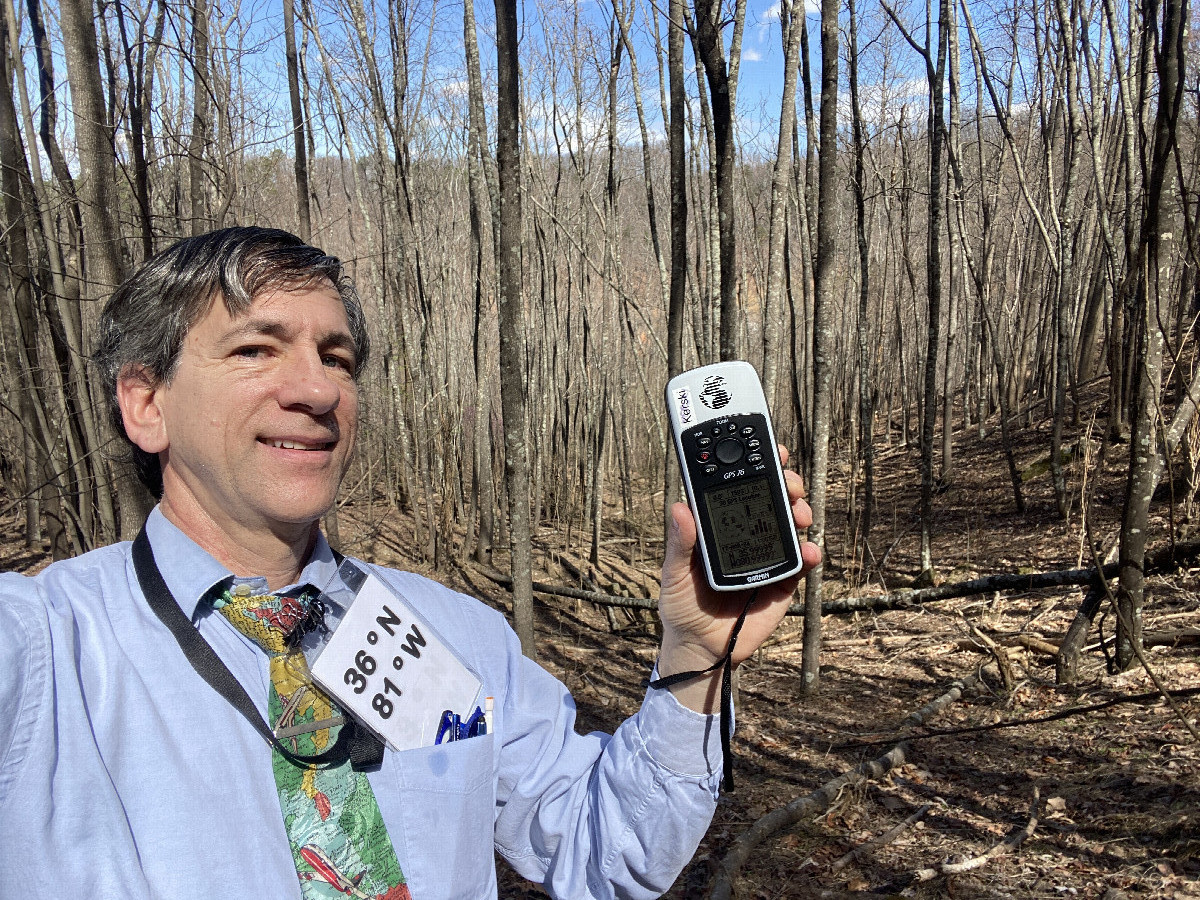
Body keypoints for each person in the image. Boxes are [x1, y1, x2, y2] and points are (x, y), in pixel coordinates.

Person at [0, 227, 820, 900]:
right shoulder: (43, 648)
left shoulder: (456, 636)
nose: (316, 390)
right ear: (146, 404)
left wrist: (694, 657)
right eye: (256, 349)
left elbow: (607, 849)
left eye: (338, 357)